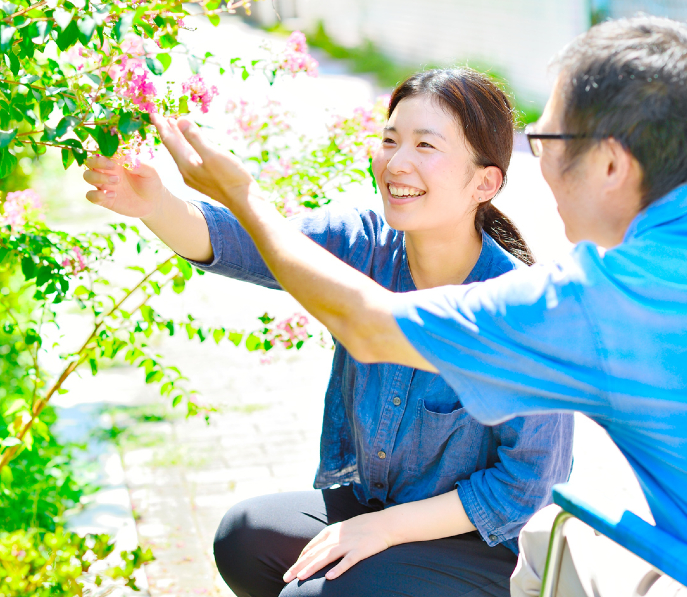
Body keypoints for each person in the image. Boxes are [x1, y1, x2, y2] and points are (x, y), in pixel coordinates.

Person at [141, 15, 687, 596]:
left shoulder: (589, 302)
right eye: (391, 139)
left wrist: (245, 195)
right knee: (259, 542)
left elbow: (365, 323)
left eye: (548, 143)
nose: (541, 169)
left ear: (611, 163)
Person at [82, 68, 574, 597]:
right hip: (379, 508)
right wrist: (155, 205)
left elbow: (525, 486)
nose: (396, 161)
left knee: (309, 594)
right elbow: (256, 245)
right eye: (390, 139)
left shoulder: (524, 311)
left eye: (425, 145)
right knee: (244, 538)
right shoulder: (365, 244)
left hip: (485, 549)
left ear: (485, 182)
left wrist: (381, 530)